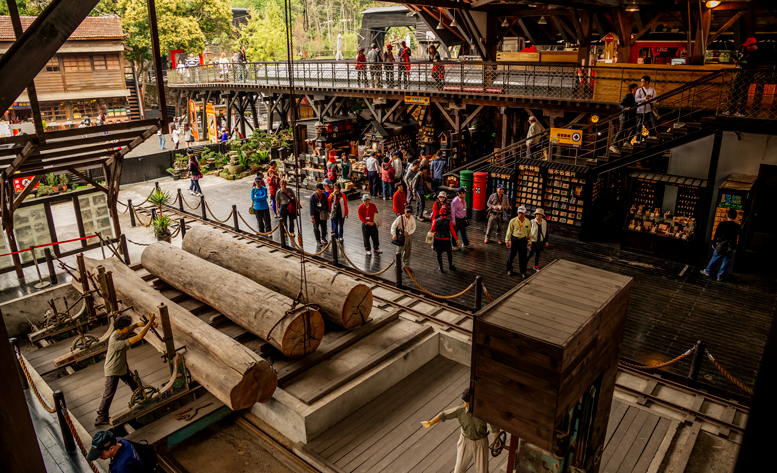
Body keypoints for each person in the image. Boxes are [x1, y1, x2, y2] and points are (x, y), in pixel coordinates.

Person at [94, 314, 156, 426]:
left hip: (122, 366)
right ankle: (100, 417)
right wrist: (150, 323)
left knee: (133, 383)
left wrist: (147, 323)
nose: (129, 328)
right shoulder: (115, 341)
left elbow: (136, 325)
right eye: (127, 327)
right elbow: (139, 337)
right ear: (120, 328)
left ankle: (141, 399)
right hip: (113, 370)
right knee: (109, 393)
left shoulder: (121, 331)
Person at [422, 388, 499, 473]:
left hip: (481, 443)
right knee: (458, 470)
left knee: (482, 471)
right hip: (465, 442)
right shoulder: (460, 411)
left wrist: (497, 440)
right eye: (466, 404)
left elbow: (494, 426)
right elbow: (444, 415)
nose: (468, 406)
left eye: (470, 404)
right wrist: (430, 422)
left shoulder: (484, 412)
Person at [725, 37, 770, 117]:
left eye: (748, 46)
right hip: (741, 73)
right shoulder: (748, 53)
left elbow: (750, 64)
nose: (747, 47)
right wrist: (740, 61)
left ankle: (741, 112)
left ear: (753, 45)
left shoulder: (757, 53)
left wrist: (741, 62)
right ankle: (731, 110)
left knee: (743, 93)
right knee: (735, 92)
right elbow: (744, 61)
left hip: (748, 74)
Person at [86, 430, 157, 472]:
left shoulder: (122, 467)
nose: (99, 456)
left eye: (101, 453)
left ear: (111, 448)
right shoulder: (119, 440)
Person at [701, 209, 740, 282]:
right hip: (731, 246)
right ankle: (720, 276)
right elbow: (738, 234)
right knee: (726, 261)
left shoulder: (722, 224)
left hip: (721, 244)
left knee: (714, 258)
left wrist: (714, 243)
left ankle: (708, 271)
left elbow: (716, 234)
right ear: (735, 217)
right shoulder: (737, 226)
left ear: (727, 216)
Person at [610, 84, 638, 153]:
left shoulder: (636, 98)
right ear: (632, 89)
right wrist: (626, 108)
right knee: (622, 130)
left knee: (635, 128)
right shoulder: (628, 96)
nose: (637, 90)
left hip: (631, 116)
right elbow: (621, 104)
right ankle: (613, 145)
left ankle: (627, 141)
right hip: (624, 116)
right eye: (636, 88)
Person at [505, 206, 532, 278]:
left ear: (525, 213)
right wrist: (507, 241)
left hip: (523, 240)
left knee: (523, 257)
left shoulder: (527, 221)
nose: (520, 214)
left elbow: (529, 233)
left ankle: (523, 272)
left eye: (522, 213)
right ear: (517, 212)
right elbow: (509, 231)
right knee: (511, 256)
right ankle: (509, 269)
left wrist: (530, 242)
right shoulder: (513, 221)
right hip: (514, 239)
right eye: (519, 212)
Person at [431, 207, 458, 273]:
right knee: (449, 253)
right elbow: (452, 231)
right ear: (446, 215)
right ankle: (450, 266)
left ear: (440, 214)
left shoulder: (436, 221)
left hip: (438, 239)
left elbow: (432, 230)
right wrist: (457, 240)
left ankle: (441, 268)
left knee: (439, 254)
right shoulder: (449, 222)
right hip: (446, 239)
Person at [391, 205, 416, 272]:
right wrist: (394, 234)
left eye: (410, 212)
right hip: (401, 236)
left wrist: (408, 232)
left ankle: (406, 266)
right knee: (399, 252)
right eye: (407, 212)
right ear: (404, 211)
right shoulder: (400, 218)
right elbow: (393, 226)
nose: (409, 213)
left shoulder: (412, 218)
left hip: (408, 236)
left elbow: (414, 228)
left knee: (408, 252)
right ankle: (397, 266)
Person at [634, 76, 657, 140]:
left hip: (648, 110)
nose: (641, 82)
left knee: (652, 123)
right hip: (640, 110)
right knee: (639, 125)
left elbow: (655, 100)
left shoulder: (652, 90)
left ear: (647, 82)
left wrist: (649, 100)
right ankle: (638, 138)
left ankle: (652, 135)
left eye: (642, 81)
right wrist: (644, 99)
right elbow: (636, 99)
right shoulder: (639, 90)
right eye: (641, 81)